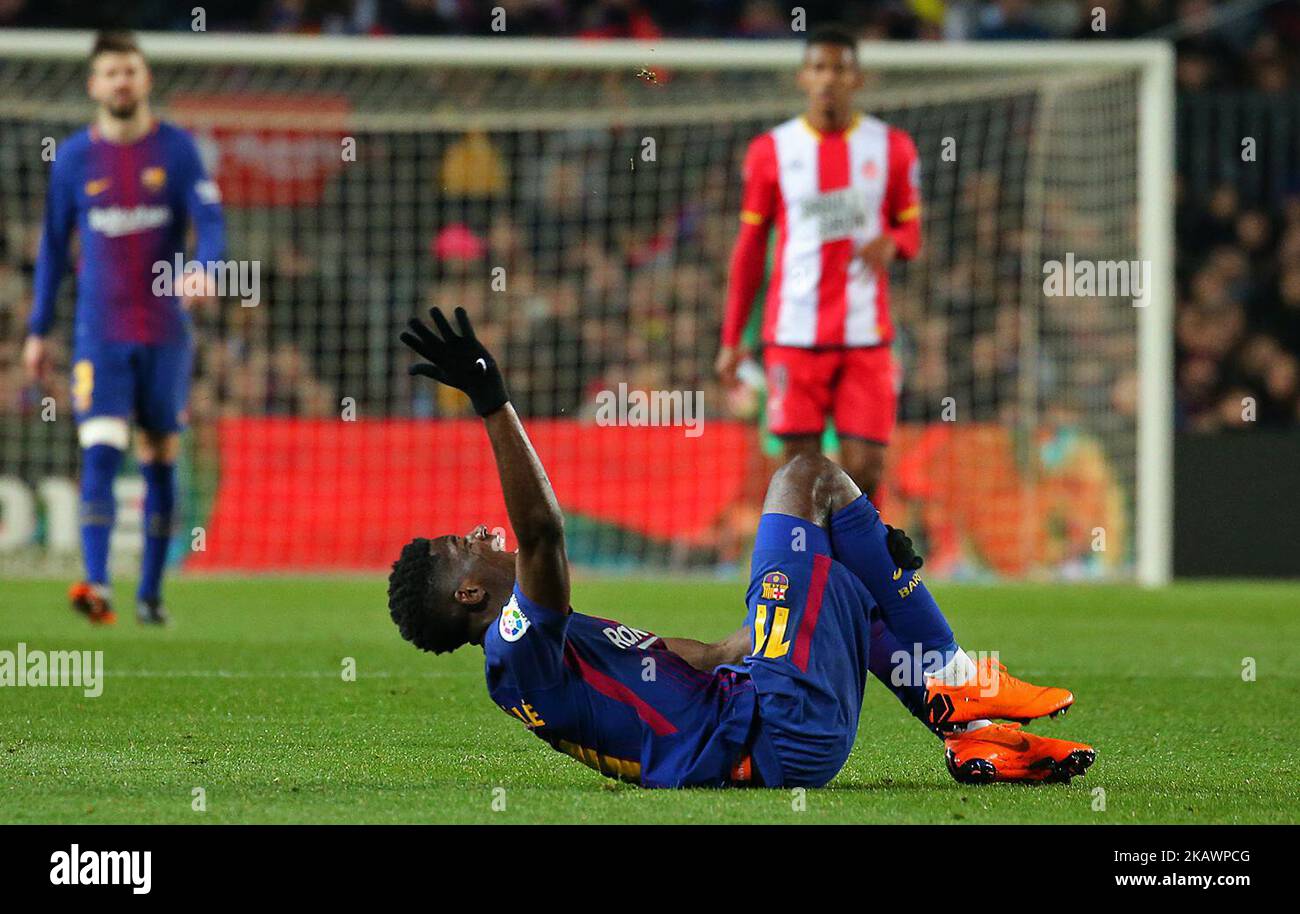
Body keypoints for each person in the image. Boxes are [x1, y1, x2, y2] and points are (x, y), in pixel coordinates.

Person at [387, 307, 1095, 787]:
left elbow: (705, 657)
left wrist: (856, 555)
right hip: (774, 735)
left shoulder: (558, 645)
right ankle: (956, 675)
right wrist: (492, 400)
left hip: (776, 718)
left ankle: (972, 735)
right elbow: (543, 532)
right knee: (805, 475)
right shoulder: (514, 654)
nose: (481, 533)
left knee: (849, 574)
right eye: (463, 545)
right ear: (469, 594)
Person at [23, 30, 225, 625]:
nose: (121, 82)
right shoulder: (74, 159)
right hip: (99, 332)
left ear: (146, 79)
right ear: (94, 85)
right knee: (101, 447)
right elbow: (54, 251)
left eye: (130, 71)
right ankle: (97, 584)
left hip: (164, 332)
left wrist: (207, 268)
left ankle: (151, 593)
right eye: (111, 73)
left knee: (161, 449)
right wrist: (38, 329)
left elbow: (211, 222)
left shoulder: (179, 150)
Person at [716, 25, 920, 501]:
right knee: (799, 478)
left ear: (858, 79)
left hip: (864, 338)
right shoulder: (772, 151)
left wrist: (894, 242)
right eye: (819, 68)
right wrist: (732, 340)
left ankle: (859, 573)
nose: (828, 79)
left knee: (865, 469)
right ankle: (809, 573)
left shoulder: (892, 148)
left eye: (839, 69)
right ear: (802, 77)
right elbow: (748, 249)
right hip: (793, 336)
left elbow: (911, 230)